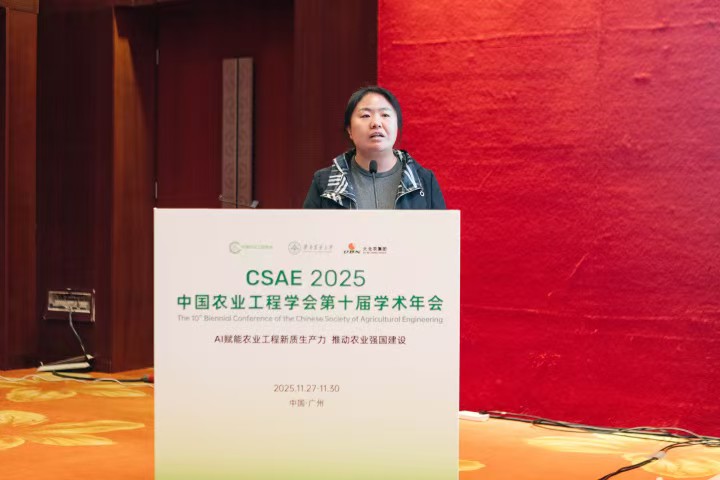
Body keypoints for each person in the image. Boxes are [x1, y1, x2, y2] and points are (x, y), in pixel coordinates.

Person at [303, 86, 446, 209]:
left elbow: (441, 232)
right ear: (349, 130)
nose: (376, 123)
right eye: (365, 115)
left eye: (385, 115)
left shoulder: (424, 181)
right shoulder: (324, 182)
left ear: (397, 126)